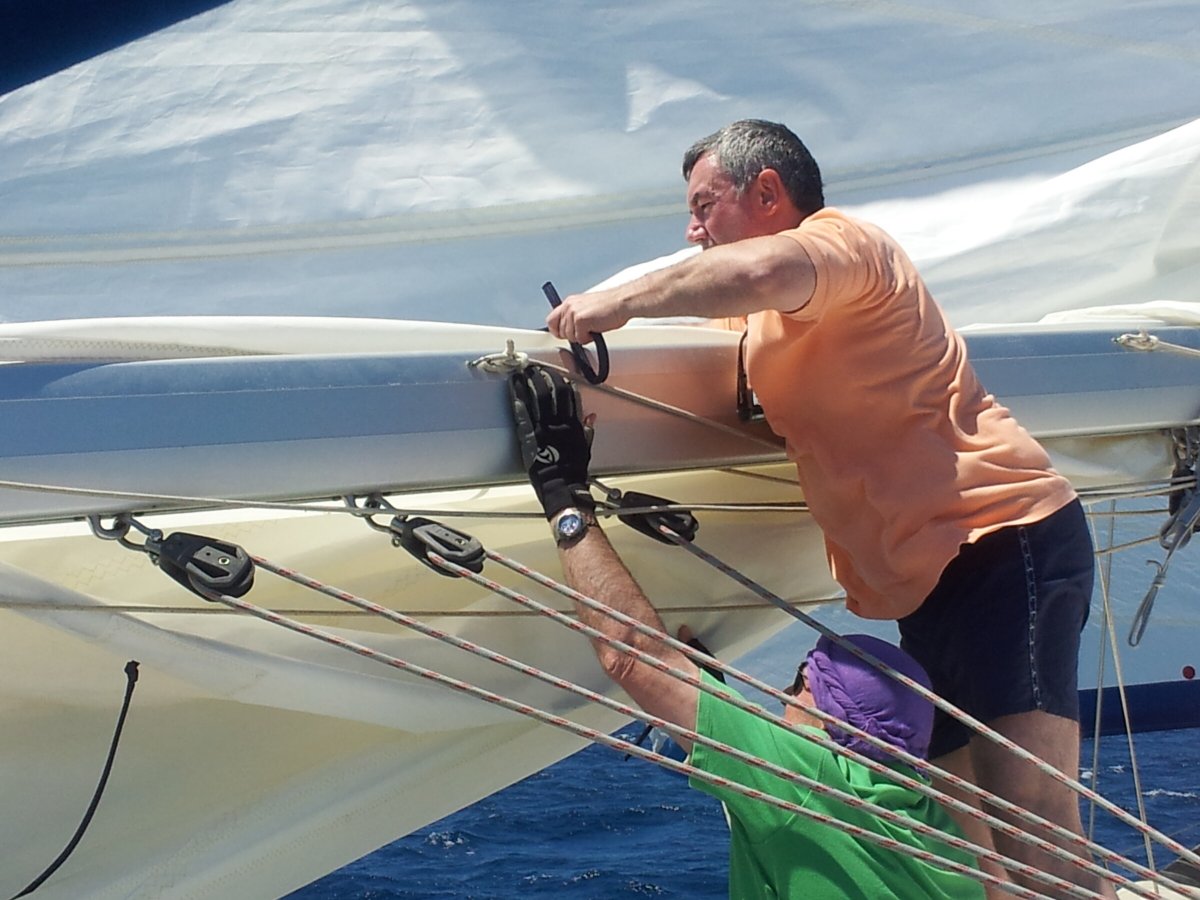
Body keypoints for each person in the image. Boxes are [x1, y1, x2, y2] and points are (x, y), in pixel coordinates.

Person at [542, 119, 1105, 899]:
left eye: (704, 207)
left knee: (1032, 830)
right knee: (966, 846)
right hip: (928, 586)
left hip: (1003, 542)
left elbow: (762, 267)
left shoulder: (847, 247)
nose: (692, 230)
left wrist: (616, 303)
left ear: (768, 192)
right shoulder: (759, 321)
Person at [509, 363, 985, 899]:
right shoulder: (944, 841)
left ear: (832, 721)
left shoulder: (804, 782)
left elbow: (631, 657)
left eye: (802, 680)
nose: (782, 692)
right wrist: (712, 693)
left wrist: (563, 495)